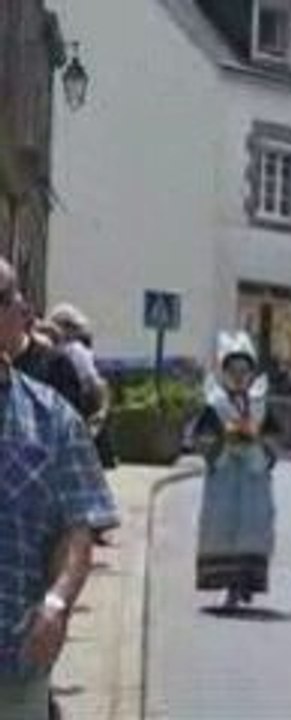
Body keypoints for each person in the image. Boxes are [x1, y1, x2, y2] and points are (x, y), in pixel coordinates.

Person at [0, 259, 119, 718]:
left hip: (14, 655)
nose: (17, 310)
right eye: (5, 299)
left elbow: (77, 528)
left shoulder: (52, 419)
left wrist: (56, 603)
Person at [193, 332, 280, 609]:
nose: (240, 377)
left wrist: (262, 443)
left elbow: (275, 436)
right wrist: (222, 441)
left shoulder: (260, 403)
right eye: (234, 371)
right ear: (224, 372)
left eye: (245, 371)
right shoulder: (215, 404)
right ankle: (229, 583)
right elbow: (201, 437)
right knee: (225, 526)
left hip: (253, 475)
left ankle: (247, 580)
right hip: (225, 474)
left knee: (252, 527)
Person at [48, 304, 116, 470]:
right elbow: (93, 382)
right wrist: (102, 410)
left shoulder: (44, 349)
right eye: (74, 327)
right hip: (73, 412)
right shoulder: (76, 351)